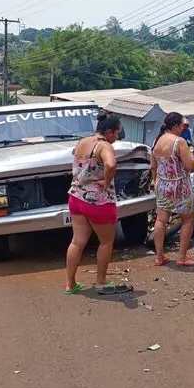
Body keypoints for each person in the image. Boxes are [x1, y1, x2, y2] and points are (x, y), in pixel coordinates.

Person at [64, 111, 132, 295]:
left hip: (76, 197)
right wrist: (107, 182)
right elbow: (111, 165)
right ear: (109, 132)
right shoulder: (104, 146)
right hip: (98, 202)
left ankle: (70, 284)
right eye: (117, 133)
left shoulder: (83, 142)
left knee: (77, 242)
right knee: (106, 241)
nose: (117, 137)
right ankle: (100, 281)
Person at [152, 112, 194, 267]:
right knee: (188, 219)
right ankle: (182, 257)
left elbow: (154, 166)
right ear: (176, 126)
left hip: (162, 184)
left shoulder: (157, 141)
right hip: (180, 185)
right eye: (181, 125)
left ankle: (159, 256)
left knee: (161, 219)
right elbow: (189, 166)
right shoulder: (179, 142)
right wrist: (191, 155)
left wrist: (156, 181)